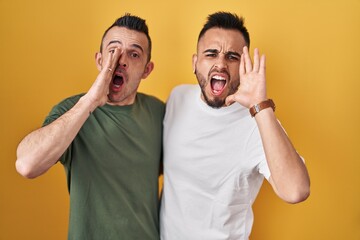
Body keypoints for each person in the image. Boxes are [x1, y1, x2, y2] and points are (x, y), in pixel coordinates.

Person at [160, 11, 310, 239]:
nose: (220, 64)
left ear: (243, 67)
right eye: (211, 54)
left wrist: (260, 105)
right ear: (195, 62)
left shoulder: (258, 122)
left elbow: (296, 190)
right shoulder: (177, 98)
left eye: (232, 57)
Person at [16, 13, 164, 240]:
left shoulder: (158, 112)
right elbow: (27, 164)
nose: (121, 60)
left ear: (147, 69)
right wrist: (91, 101)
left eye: (134, 54)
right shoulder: (72, 111)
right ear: (99, 60)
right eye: (114, 51)